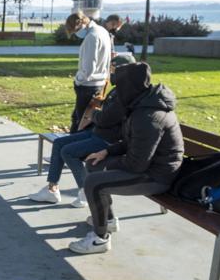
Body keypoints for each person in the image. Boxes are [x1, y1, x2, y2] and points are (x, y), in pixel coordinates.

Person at [69, 62, 184, 254]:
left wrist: (109, 165)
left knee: (93, 182)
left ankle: (100, 239)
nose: (117, 91)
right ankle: (108, 221)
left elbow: (136, 164)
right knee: (93, 164)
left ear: (129, 87)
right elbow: (133, 142)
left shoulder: (149, 116)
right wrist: (107, 152)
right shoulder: (142, 104)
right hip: (148, 166)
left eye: (120, 86)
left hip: (157, 176)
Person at [29, 55, 135, 207]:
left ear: (124, 71)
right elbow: (104, 115)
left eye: (113, 69)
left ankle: (86, 191)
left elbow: (106, 118)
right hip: (98, 132)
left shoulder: (125, 94)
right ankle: (52, 190)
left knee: (68, 152)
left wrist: (94, 114)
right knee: (59, 143)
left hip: (107, 139)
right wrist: (97, 115)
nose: (110, 73)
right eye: (110, 69)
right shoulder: (117, 90)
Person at [65, 11, 111, 133]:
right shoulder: (102, 30)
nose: (76, 34)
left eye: (75, 31)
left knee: (82, 123)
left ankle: (73, 148)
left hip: (88, 84)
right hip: (99, 82)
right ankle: (71, 144)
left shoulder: (92, 37)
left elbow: (88, 69)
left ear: (80, 25)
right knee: (79, 119)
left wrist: (78, 80)